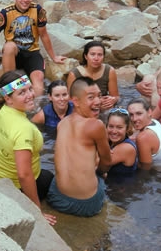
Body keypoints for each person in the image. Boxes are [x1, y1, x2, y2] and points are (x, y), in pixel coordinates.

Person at [0, 70, 56, 225]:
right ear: (8, 98)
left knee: (46, 175)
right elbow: (24, 175)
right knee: (49, 179)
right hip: (15, 187)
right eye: (22, 92)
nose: (30, 95)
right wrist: (36, 210)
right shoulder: (23, 128)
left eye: (29, 89)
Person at [46, 77, 112, 217]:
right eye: (91, 97)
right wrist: (100, 173)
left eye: (99, 96)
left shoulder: (62, 123)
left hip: (56, 197)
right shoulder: (96, 125)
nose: (98, 101)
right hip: (85, 205)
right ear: (75, 101)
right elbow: (107, 162)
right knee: (101, 171)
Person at [66, 41, 119, 110]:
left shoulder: (109, 71)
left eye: (100, 55)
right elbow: (70, 100)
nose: (96, 58)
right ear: (86, 56)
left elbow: (116, 96)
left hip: (103, 107)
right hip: (83, 107)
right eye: (92, 54)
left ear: (103, 57)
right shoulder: (74, 74)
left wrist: (112, 100)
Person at [127, 97, 161, 171]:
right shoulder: (154, 121)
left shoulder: (143, 137)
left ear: (149, 112)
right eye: (131, 115)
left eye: (139, 114)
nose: (134, 119)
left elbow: (145, 169)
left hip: (159, 173)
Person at [106, 108, 138, 177]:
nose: (114, 131)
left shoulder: (126, 148)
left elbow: (97, 165)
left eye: (119, 127)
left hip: (121, 187)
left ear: (127, 128)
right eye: (111, 126)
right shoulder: (110, 141)